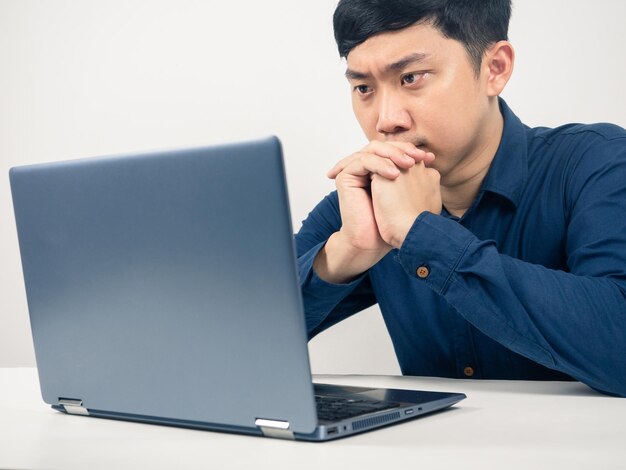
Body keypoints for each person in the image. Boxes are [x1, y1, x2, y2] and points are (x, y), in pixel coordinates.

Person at [295, 0, 626, 397]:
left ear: (495, 68)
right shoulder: (363, 202)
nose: (385, 120)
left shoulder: (597, 161)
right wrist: (346, 253)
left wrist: (422, 235)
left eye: (411, 77)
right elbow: (235, 336)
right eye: (363, 88)